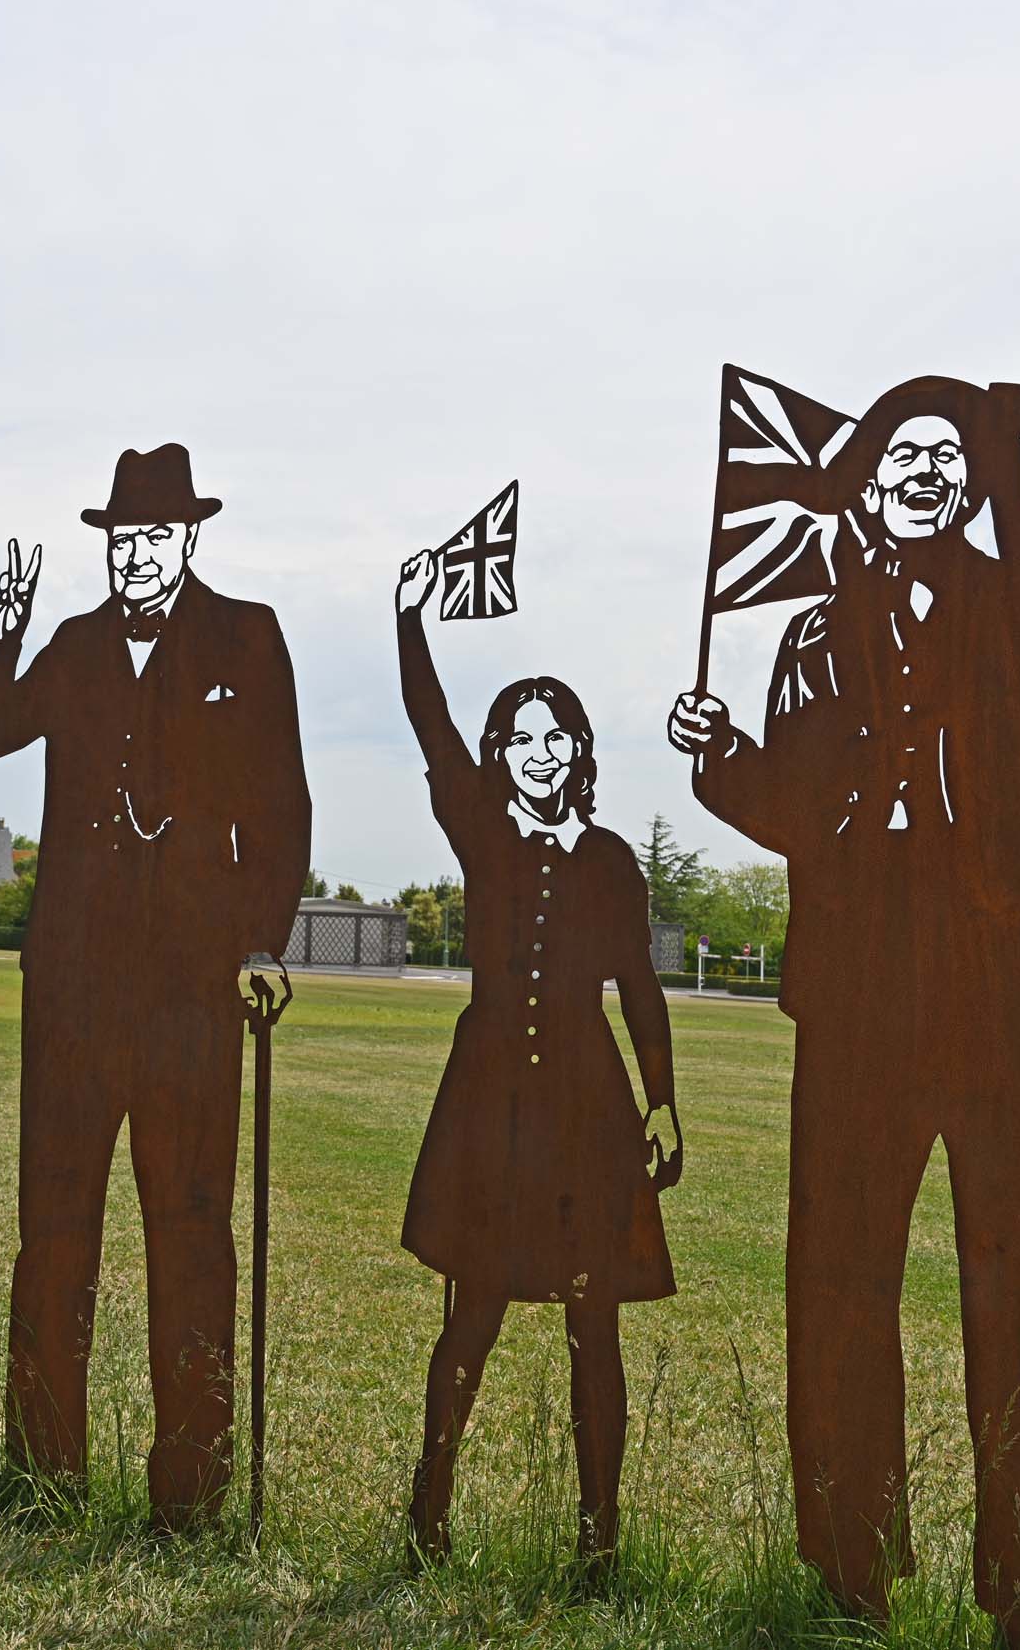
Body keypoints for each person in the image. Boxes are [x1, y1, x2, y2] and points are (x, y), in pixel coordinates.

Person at [666, 388, 1020, 1645]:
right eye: (903, 453)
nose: (927, 470)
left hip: (1013, 987)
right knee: (838, 1273)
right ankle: (848, 1564)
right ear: (862, 478)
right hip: (860, 985)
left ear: (973, 485)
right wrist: (719, 759)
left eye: (950, 457)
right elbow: (797, 807)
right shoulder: (811, 627)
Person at [0, 442, 311, 1530]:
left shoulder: (246, 637)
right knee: (54, 1226)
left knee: (191, 1228)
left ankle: (191, 1490)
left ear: (191, 537)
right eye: (121, 538)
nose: (136, 555)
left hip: (192, 988)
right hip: (69, 985)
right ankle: (41, 1471)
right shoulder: (70, 644)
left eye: (155, 536)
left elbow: (282, 803)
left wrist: (261, 938)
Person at [392, 549, 681, 1581]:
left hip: (587, 1109)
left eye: (557, 734)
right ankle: (427, 1514)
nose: (541, 751)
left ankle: (598, 1539)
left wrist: (662, 1101)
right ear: (499, 754)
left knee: (590, 1325)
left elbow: (639, 988)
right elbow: (428, 730)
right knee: (469, 1312)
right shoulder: (480, 834)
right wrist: (408, 622)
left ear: (579, 749)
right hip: (487, 1107)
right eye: (521, 737)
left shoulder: (611, 861)